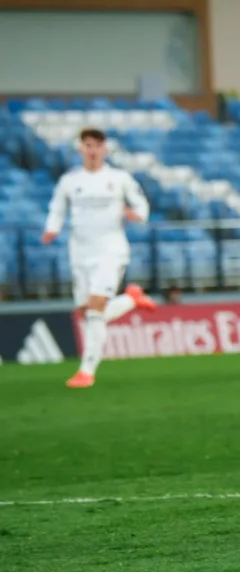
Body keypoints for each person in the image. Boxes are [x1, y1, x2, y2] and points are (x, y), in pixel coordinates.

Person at [43, 128, 156, 388]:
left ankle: (87, 371)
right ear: (81, 149)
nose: (92, 150)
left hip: (110, 250)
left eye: (97, 146)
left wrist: (136, 214)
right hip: (80, 252)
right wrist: (52, 228)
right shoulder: (70, 181)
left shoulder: (118, 178)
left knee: (95, 310)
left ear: (104, 149)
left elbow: (141, 205)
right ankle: (131, 299)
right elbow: (57, 209)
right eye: (88, 146)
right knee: (87, 312)